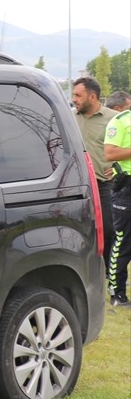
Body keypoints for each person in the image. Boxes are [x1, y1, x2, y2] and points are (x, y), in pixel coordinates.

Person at [72, 77, 117, 269]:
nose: (74, 99)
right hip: (77, 184)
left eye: (78, 95)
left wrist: (118, 167)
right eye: (73, 95)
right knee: (81, 228)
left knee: (108, 228)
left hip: (104, 184)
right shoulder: (70, 118)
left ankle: (108, 269)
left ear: (92, 96)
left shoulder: (114, 119)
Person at [104, 105, 131, 308]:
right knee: (123, 241)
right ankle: (117, 293)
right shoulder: (121, 121)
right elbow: (110, 153)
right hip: (126, 187)